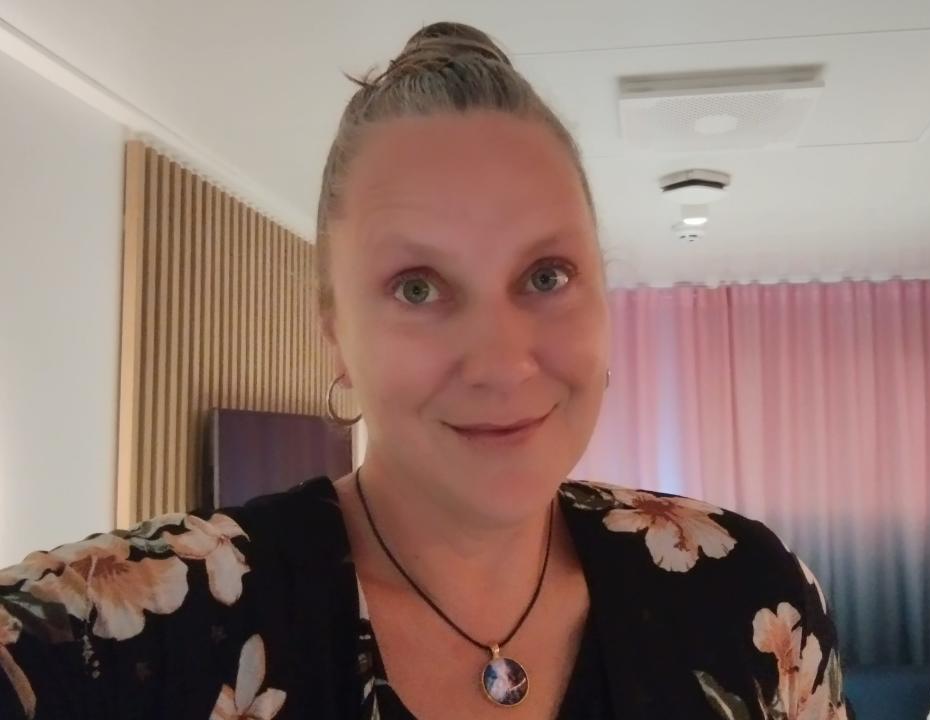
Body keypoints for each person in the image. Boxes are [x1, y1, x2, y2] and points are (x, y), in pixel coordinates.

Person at [0, 21, 852, 720]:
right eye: (418, 287)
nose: (502, 360)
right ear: (336, 335)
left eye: (546, 276)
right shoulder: (125, 637)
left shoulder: (745, 593)